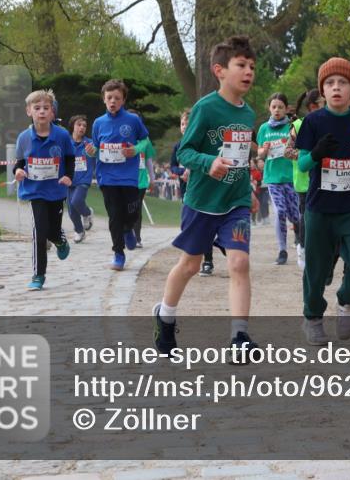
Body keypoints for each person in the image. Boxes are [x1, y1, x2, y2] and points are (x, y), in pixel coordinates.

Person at [152, 36, 261, 357]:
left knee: (239, 263)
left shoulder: (249, 114)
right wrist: (207, 162)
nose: (248, 72)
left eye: (252, 66)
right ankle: (165, 316)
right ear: (220, 70)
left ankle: (239, 338)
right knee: (190, 265)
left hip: (235, 204)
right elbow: (184, 151)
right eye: (241, 65)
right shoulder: (205, 108)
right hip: (201, 202)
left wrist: (249, 191)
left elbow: (240, 160)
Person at [295, 57, 350, 345]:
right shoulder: (313, 121)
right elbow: (303, 166)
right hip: (320, 208)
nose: (336, 88)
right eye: (330, 83)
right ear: (322, 90)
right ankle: (313, 317)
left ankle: (346, 302)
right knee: (316, 270)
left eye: (342, 83)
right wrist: (316, 153)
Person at [13, 90, 75, 290]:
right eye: (37, 108)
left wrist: (69, 176)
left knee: (53, 231)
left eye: (46, 108)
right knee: (39, 232)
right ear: (28, 111)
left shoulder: (62, 135)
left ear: (52, 112)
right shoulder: (24, 138)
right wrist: (19, 171)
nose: (41, 112)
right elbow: (19, 163)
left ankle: (60, 239)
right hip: (35, 191)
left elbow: (69, 158)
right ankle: (38, 275)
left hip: (56, 191)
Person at [85, 80, 148, 271]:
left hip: (129, 177)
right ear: (104, 99)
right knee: (114, 216)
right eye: (109, 98)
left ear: (123, 100)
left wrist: (135, 149)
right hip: (107, 177)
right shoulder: (98, 123)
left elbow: (145, 141)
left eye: (117, 98)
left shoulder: (133, 120)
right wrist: (91, 151)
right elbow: (95, 147)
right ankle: (118, 253)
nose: (113, 101)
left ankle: (129, 228)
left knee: (132, 211)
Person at [257, 93, 302, 265]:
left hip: (291, 177)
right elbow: (260, 153)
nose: (277, 110)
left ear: (286, 109)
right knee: (280, 211)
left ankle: (298, 231)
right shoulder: (264, 129)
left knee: (295, 215)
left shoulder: (292, 127)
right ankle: (282, 250)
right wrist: (264, 151)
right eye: (274, 106)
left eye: (280, 107)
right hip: (273, 178)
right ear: (269, 108)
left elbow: (299, 149)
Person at [171, 109, 215, 275]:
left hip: (203, 190)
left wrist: (195, 169)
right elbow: (173, 166)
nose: (184, 127)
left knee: (205, 225)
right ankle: (191, 258)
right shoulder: (178, 146)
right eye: (182, 124)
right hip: (186, 191)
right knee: (190, 226)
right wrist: (182, 173)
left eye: (188, 125)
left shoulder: (202, 145)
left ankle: (208, 260)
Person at [288, 89, 323, 269]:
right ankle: (302, 248)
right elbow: (288, 151)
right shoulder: (299, 125)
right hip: (303, 180)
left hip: (325, 179)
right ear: (313, 107)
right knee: (306, 217)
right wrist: (308, 154)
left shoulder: (332, 123)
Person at [127, 109, 156, 250]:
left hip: (141, 180)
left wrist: (152, 178)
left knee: (136, 210)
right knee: (125, 209)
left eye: (136, 119)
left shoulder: (145, 139)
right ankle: (126, 235)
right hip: (125, 179)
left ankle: (137, 237)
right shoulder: (123, 136)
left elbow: (149, 159)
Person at [66, 115, 95, 243]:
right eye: (79, 125)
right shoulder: (65, 143)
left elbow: (98, 155)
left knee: (76, 201)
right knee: (71, 210)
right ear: (73, 126)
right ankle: (79, 231)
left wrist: (94, 152)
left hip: (84, 179)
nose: (82, 127)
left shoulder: (90, 144)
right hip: (69, 179)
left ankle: (87, 213)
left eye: (84, 125)